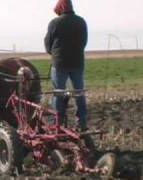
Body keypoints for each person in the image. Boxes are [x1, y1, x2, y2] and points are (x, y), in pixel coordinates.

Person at [44, 0, 88, 131]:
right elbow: (84, 42)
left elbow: (48, 43)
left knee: (59, 93)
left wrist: (53, 53)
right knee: (79, 92)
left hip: (59, 63)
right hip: (77, 63)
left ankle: (56, 122)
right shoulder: (81, 22)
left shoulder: (55, 23)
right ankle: (82, 122)